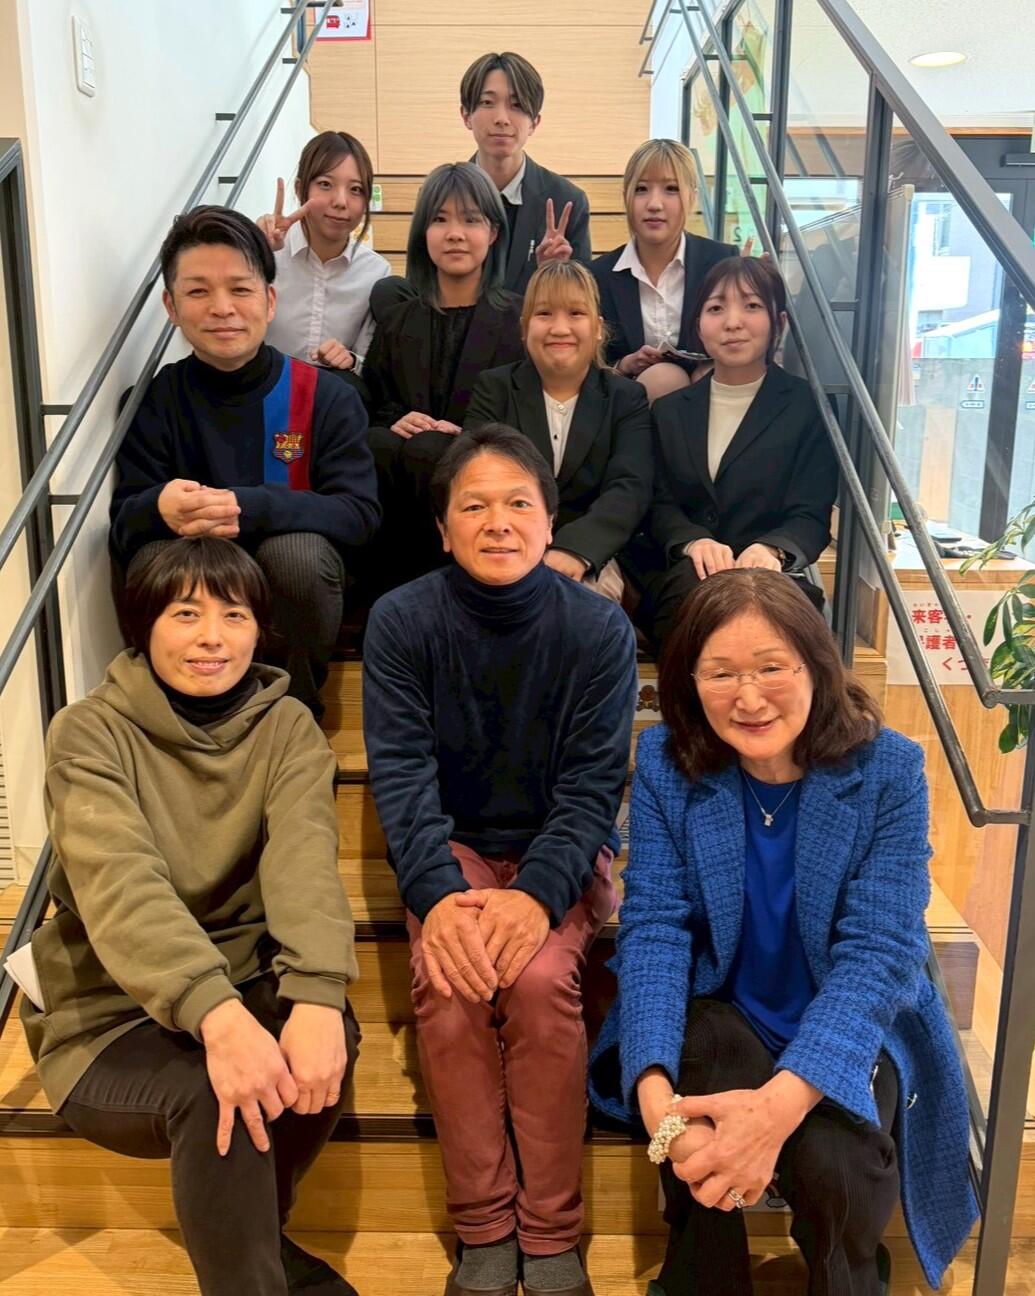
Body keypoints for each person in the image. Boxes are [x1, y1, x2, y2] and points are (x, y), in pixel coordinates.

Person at [589, 569, 978, 1296]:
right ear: (688, 682)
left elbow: (880, 953)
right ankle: (700, 1281)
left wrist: (772, 1114)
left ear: (815, 665)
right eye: (720, 673)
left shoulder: (888, 768)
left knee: (834, 1164)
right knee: (695, 1104)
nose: (748, 696)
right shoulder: (669, 766)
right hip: (725, 1008)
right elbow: (655, 929)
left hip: (847, 1012)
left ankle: (849, 1278)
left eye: (772, 667)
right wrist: (655, 1098)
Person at [21, 538, 362, 1296]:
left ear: (259, 630)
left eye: (233, 615)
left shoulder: (287, 727)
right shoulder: (89, 731)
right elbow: (122, 887)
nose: (212, 637)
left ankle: (259, 1252)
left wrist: (317, 994)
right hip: (106, 1014)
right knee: (218, 1093)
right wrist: (219, 1017)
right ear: (142, 626)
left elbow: (304, 864)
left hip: (241, 978)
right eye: (185, 614)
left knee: (325, 1037)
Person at [363, 425, 638, 1296]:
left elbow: (592, 786)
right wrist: (440, 896)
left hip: (559, 846)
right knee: (449, 987)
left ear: (550, 522)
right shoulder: (400, 620)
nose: (497, 522)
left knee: (540, 980)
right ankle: (483, 1226)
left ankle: (550, 1231)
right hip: (452, 846)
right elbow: (401, 775)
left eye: (518, 503)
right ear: (442, 529)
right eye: (473, 506)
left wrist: (539, 897)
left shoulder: (597, 628)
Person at [109, 204, 379, 716]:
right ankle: (186, 717)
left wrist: (247, 507)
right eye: (198, 292)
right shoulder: (153, 401)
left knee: (296, 556)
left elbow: (359, 513)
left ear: (270, 301)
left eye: (240, 289)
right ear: (171, 306)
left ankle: (293, 715)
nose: (222, 308)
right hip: (196, 573)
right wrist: (159, 507)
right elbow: (123, 524)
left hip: (295, 583)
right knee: (151, 558)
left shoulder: (327, 395)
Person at [624, 255, 838, 648]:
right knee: (695, 609)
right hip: (686, 575)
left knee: (781, 627)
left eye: (752, 306)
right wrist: (693, 541)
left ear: (779, 323)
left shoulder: (808, 407)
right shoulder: (670, 410)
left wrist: (773, 549)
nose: (732, 322)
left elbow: (810, 513)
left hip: (770, 574)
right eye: (716, 308)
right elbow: (657, 503)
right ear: (699, 326)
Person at [362, 163, 524, 590]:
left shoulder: (519, 319)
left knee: (431, 451)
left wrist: (467, 434)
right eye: (440, 219)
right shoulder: (398, 320)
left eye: (470, 220)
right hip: (403, 478)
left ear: (493, 232)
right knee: (378, 443)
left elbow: (524, 412)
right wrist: (398, 419)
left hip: (486, 474)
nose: (455, 234)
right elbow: (378, 400)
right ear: (423, 233)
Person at [464, 260, 652, 603]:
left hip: (594, 552)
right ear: (525, 328)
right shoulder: (495, 388)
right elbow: (478, 477)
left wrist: (575, 549)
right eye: (544, 314)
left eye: (576, 313)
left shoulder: (626, 398)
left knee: (580, 601)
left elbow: (630, 488)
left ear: (598, 328)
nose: (560, 328)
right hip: (505, 540)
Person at [590, 139, 738, 404]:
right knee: (664, 378)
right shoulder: (598, 275)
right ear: (626, 197)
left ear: (692, 197)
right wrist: (624, 365)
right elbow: (590, 359)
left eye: (671, 189)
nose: (654, 204)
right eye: (641, 189)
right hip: (632, 407)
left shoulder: (722, 262)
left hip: (711, 399)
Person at [258, 130, 391, 378]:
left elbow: (370, 365)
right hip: (263, 392)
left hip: (335, 395)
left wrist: (351, 361)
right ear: (300, 189)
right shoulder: (266, 253)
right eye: (325, 185)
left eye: (355, 189)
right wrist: (253, 253)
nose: (341, 201)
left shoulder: (376, 272)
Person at [461, 50, 591, 296]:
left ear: (534, 122)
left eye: (517, 105)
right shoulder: (441, 197)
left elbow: (581, 303)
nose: (502, 119)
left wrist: (554, 275)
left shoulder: (567, 201)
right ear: (466, 115)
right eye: (487, 103)